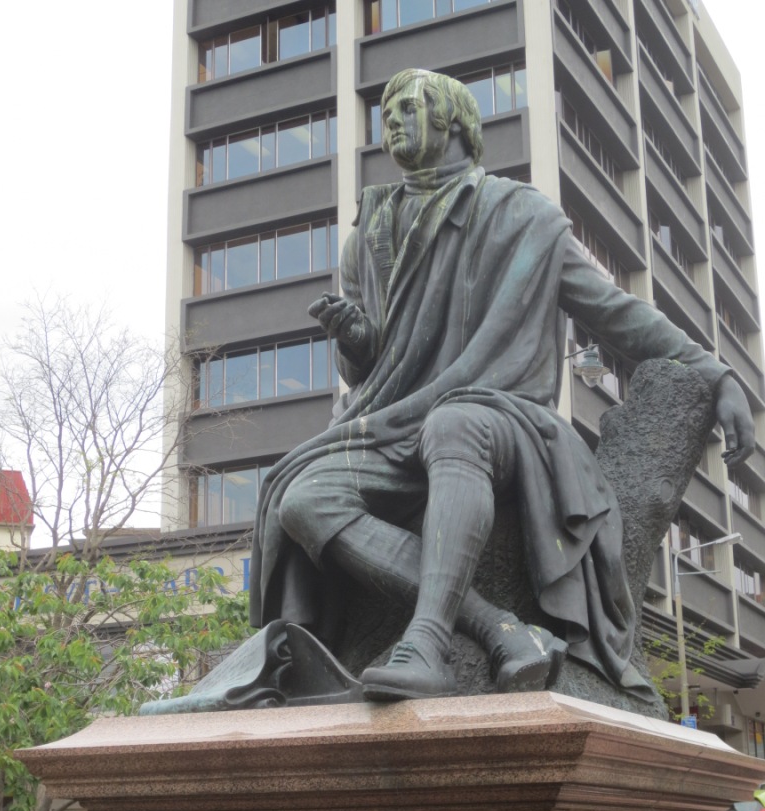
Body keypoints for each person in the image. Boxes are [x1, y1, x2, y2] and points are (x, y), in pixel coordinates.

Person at [142, 68, 754, 716]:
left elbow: (614, 313)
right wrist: (355, 339)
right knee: (302, 497)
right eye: (386, 113)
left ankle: (428, 642)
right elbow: (369, 371)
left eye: (408, 107)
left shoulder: (523, 217)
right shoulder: (370, 234)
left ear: (454, 121)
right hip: (393, 422)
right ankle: (496, 626)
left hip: (502, 412)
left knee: (455, 423)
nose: (392, 121)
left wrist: (714, 372)